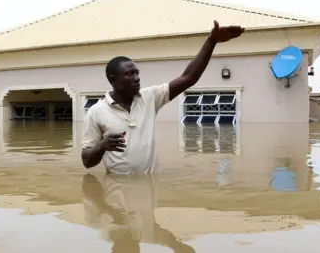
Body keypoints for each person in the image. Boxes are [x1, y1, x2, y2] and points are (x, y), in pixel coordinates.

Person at [81, 20, 245, 174]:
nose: (137, 78)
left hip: (147, 193)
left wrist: (211, 41)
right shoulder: (96, 112)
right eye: (129, 74)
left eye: (137, 73)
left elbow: (188, 78)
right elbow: (87, 161)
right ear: (113, 79)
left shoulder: (150, 97)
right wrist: (102, 146)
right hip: (116, 193)